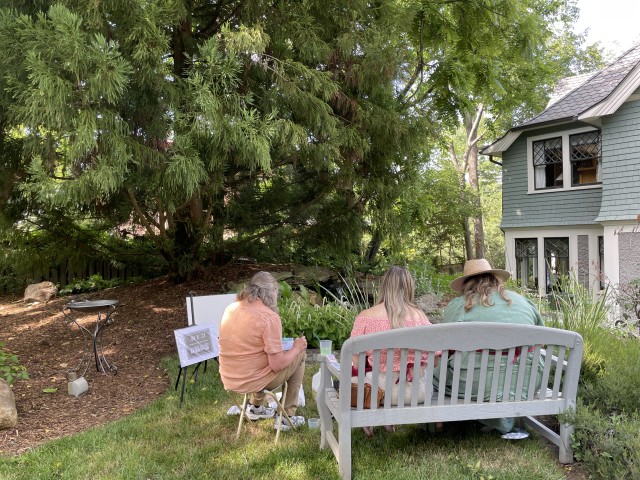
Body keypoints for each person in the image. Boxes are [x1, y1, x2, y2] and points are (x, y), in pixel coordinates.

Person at [434, 258, 545, 434]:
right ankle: (500, 420)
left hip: (476, 384)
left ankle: (439, 424)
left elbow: (446, 343)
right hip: (526, 382)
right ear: (495, 279)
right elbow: (541, 341)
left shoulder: (459, 306)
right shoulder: (523, 302)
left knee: (437, 374)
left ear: (466, 284)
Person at [350, 266, 439, 437]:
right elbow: (434, 360)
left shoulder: (366, 316)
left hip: (381, 394)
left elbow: (357, 364)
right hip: (419, 392)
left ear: (384, 286)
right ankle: (387, 421)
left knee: (353, 379)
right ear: (409, 287)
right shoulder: (420, 317)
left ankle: (369, 420)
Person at [219, 271, 307, 431]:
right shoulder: (269, 317)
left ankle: (255, 408)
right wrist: (296, 348)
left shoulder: (231, 308)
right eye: (276, 293)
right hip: (253, 381)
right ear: (271, 292)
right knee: (300, 354)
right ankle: (287, 417)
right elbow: (277, 365)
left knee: (259, 358)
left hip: (230, 378)